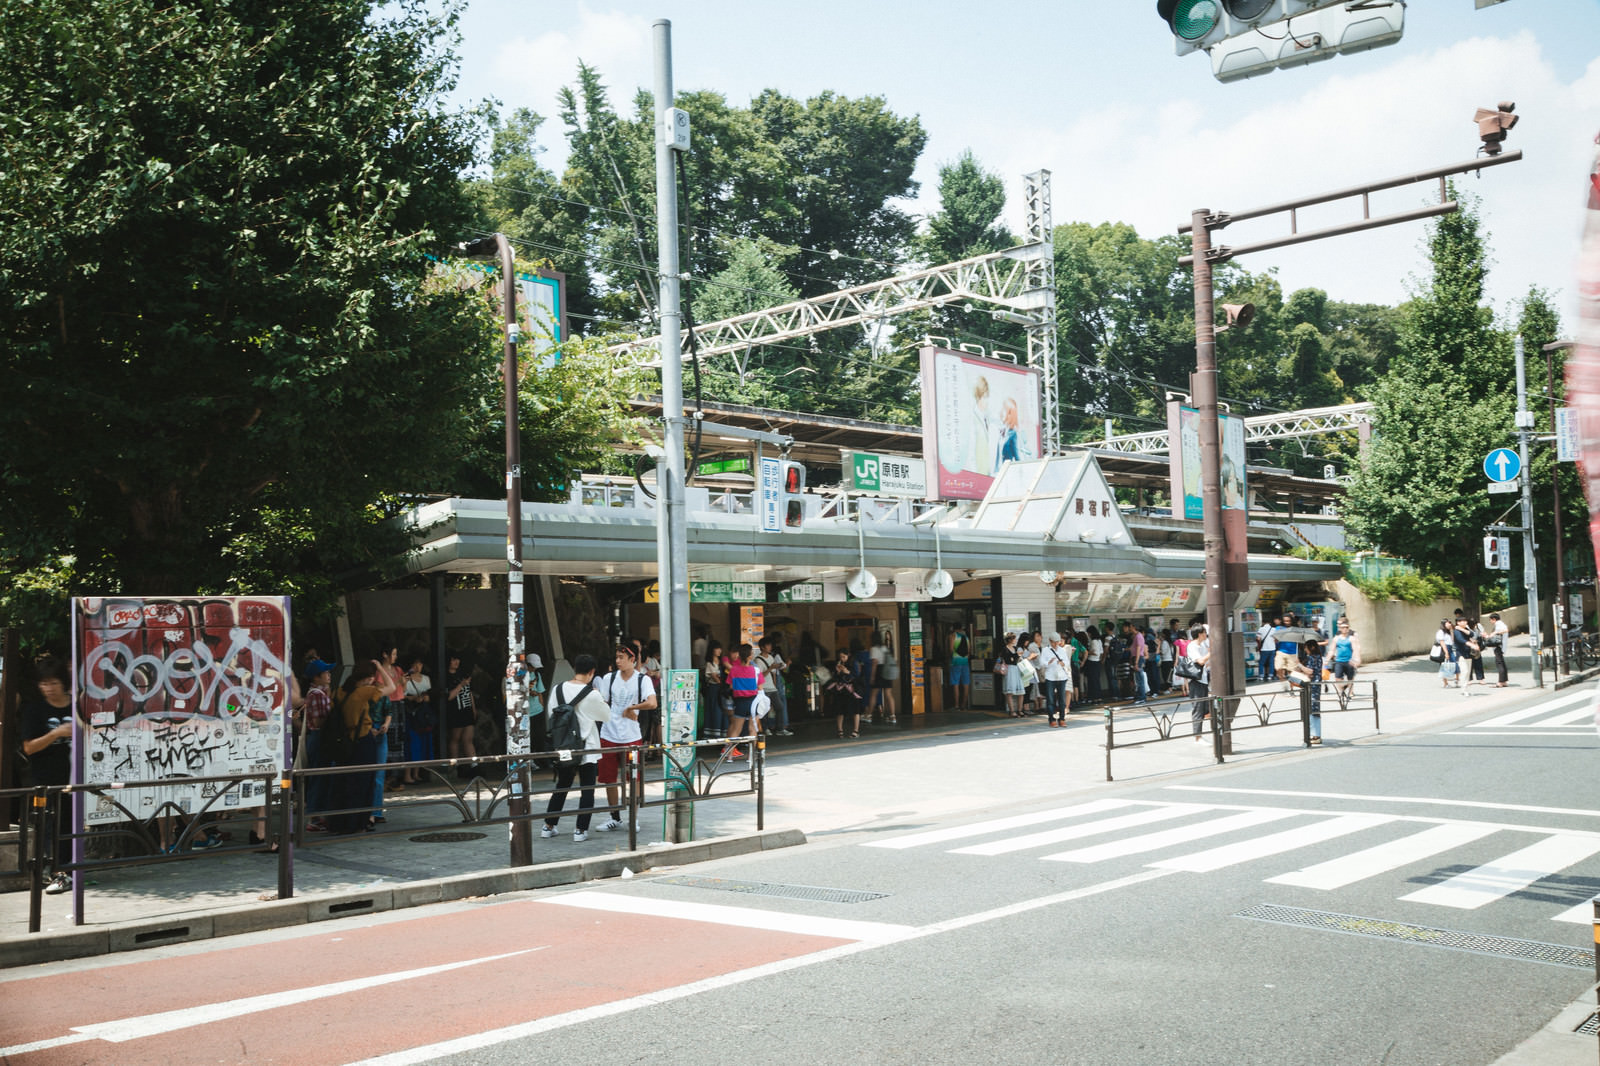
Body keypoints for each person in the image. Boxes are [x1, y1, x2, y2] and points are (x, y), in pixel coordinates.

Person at [540, 654, 612, 842]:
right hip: (586, 748)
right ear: (591, 672)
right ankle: (580, 831)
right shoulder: (593, 694)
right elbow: (606, 716)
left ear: (574, 668)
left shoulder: (558, 690)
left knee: (562, 785)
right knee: (587, 789)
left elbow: (551, 714)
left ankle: (548, 826)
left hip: (564, 747)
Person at [21, 658, 75, 894]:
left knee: (69, 825)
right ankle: (49, 871)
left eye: (53, 683)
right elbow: (29, 747)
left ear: (63, 683)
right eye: (44, 684)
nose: (48, 688)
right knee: (46, 824)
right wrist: (57, 733)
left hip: (74, 775)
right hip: (43, 778)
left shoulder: (77, 706)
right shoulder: (35, 710)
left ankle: (67, 872)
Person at [597, 644, 656, 831]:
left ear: (632, 659)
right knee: (609, 778)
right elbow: (602, 701)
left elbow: (652, 703)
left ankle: (633, 817)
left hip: (631, 735)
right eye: (616, 657)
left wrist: (633, 708)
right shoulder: (609, 678)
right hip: (608, 733)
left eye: (621, 657)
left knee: (634, 778)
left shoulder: (642, 680)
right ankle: (614, 817)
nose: (618, 661)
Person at [330, 660, 383, 834]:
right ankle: (358, 822)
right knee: (364, 783)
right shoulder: (363, 692)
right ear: (368, 677)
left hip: (344, 740)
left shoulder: (340, 691)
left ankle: (341, 822)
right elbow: (390, 687)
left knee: (345, 782)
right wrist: (380, 668)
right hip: (363, 740)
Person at [299, 659, 336, 833]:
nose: (329, 675)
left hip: (320, 737)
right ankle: (314, 817)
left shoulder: (322, 693)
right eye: (326, 673)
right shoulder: (316, 694)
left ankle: (319, 815)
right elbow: (318, 720)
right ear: (317, 676)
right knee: (318, 777)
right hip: (319, 737)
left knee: (322, 777)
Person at [397, 656, 432, 787]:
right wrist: (412, 698)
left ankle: (416, 773)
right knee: (411, 744)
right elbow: (402, 694)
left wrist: (424, 698)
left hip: (422, 714)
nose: (418, 667)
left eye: (420, 664)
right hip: (410, 712)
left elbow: (429, 695)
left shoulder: (426, 679)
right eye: (415, 664)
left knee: (422, 743)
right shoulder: (405, 678)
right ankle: (407, 774)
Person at [722, 643, 760, 760]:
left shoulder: (734, 670)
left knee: (736, 729)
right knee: (752, 729)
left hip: (739, 702)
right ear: (749, 656)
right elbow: (760, 687)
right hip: (753, 702)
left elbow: (731, 686)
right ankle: (750, 757)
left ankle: (729, 756)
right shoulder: (755, 670)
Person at [444, 653, 477, 774]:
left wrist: (473, 709)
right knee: (455, 738)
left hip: (467, 709)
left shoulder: (462, 674)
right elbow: (449, 696)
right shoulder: (446, 677)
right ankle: (456, 766)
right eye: (453, 660)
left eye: (457, 659)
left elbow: (469, 692)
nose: (456, 662)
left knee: (468, 739)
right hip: (455, 710)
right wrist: (461, 685)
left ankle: (474, 766)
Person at [753, 635, 792, 737]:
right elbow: (760, 675)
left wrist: (775, 683)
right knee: (764, 709)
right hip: (764, 688)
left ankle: (779, 728)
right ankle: (765, 728)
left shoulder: (770, 657)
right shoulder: (758, 660)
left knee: (779, 707)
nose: (770, 647)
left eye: (770, 645)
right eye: (768, 645)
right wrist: (770, 668)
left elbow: (774, 673)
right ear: (762, 647)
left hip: (772, 688)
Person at [827, 647, 863, 737]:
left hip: (851, 690)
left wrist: (847, 672)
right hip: (841, 689)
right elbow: (835, 677)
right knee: (840, 710)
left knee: (856, 710)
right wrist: (838, 672)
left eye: (844, 657)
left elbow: (857, 677)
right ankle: (840, 731)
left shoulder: (854, 663)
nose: (842, 659)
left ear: (848, 655)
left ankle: (856, 731)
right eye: (840, 657)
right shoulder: (839, 663)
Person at [1186, 625, 1212, 742]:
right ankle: (1197, 737)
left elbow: (1205, 663)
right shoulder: (1192, 646)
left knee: (1206, 709)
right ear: (1200, 633)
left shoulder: (1201, 646)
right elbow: (1201, 661)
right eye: (1205, 632)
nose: (1206, 634)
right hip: (1196, 681)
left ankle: (1213, 731)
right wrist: (1211, 653)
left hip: (1203, 680)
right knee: (1198, 708)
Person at [1042, 632, 1072, 727]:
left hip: (1061, 676)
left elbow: (1067, 661)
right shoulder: (1045, 650)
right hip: (1050, 677)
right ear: (1050, 641)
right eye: (1054, 642)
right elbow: (1042, 663)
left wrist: (1063, 663)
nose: (1056, 644)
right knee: (1050, 699)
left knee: (1062, 699)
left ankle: (1062, 719)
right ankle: (1052, 719)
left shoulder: (1062, 650)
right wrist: (1048, 662)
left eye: (1057, 642)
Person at [870, 631, 899, 725]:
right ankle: (892, 716)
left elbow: (874, 663)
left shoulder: (874, 649)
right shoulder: (884, 648)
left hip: (879, 671)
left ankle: (868, 715)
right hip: (887, 671)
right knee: (888, 694)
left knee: (874, 693)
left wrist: (872, 676)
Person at [1330, 620, 1361, 704]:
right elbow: (1332, 649)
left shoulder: (1353, 635)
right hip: (1339, 661)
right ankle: (1342, 691)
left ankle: (1350, 693)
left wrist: (1357, 659)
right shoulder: (1337, 636)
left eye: (1346, 627)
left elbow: (1356, 648)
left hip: (1349, 660)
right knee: (1337, 678)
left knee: (1350, 678)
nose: (1344, 629)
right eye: (1342, 627)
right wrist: (1328, 658)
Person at [1302, 638, 1326, 744]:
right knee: (1314, 709)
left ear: (1311, 647)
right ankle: (1315, 734)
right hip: (1316, 685)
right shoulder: (1318, 657)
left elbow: (1310, 671)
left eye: (1306, 648)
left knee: (1312, 709)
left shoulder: (1312, 658)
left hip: (1313, 686)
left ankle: (1316, 735)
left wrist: (1299, 665)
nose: (1305, 650)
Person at [701, 639, 726, 739]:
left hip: (721, 690)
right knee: (715, 711)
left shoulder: (722, 662)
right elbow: (715, 678)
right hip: (714, 690)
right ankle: (714, 735)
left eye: (720, 648)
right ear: (712, 650)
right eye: (717, 648)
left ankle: (721, 733)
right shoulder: (709, 664)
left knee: (722, 712)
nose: (719, 650)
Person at [1000, 632, 1024, 717]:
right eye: (1014, 638)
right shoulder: (1005, 649)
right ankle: (1012, 711)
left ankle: (1020, 710)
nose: (1015, 640)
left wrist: (1017, 656)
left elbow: (1017, 659)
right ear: (1010, 639)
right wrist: (1016, 655)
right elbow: (1008, 660)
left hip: (1016, 669)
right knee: (1009, 691)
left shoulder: (1016, 648)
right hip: (1009, 669)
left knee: (1020, 692)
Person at [948, 626, 972, 712]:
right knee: (966, 684)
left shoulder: (953, 636)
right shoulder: (966, 637)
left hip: (955, 662)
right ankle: (964, 706)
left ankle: (956, 706)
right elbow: (969, 651)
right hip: (965, 662)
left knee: (956, 684)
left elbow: (951, 649)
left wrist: (952, 657)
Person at [1272, 617, 1300, 681]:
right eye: (1285, 621)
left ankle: (1291, 688)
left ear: (1291, 621)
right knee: (1278, 667)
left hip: (1293, 653)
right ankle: (1282, 680)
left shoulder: (1295, 629)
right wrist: (1276, 640)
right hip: (1281, 651)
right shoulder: (1279, 628)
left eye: (1288, 621)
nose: (1286, 622)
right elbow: (1275, 639)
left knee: (1291, 672)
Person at [1432, 620, 1458, 688]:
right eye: (1448, 623)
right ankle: (1445, 683)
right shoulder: (1440, 632)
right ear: (1444, 624)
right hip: (1444, 649)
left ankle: (1456, 680)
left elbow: (1452, 641)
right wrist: (1446, 652)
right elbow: (1442, 643)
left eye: (1450, 623)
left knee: (1455, 664)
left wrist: (1451, 630)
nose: (1450, 624)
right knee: (1444, 666)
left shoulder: (1448, 632)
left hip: (1450, 649)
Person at [1487, 612, 1510, 686]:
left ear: (1494, 619)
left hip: (1498, 646)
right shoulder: (1500, 623)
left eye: (1490, 620)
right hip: (1500, 646)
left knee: (1499, 663)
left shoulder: (1499, 624)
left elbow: (1505, 630)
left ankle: (1501, 681)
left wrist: (1494, 633)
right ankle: (1504, 681)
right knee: (1501, 663)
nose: (1490, 622)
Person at [1129, 623, 1149, 703]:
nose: (1130, 628)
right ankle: (1139, 696)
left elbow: (1138, 649)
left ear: (1134, 627)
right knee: (1138, 679)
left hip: (1138, 658)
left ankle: (1142, 697)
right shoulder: (1137, 636)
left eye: (1130, 627)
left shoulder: (1138, 636)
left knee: (1139, 679)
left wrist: (1136, 662)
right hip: (1137, 658)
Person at [1083, 626, 1104, 705]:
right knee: (1097, 680)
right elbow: (1101, 653)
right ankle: (1098, 697)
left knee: (1092, 681)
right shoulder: (1099, 641)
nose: (1088, 634)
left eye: (1088, 633)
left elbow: (1095, 652)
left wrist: (1087, 652)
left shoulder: (1093, 641)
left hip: (1092, 662)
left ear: (1090, 633)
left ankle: (1094, 698)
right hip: (1097, 662)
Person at [1256, 616, 1279, 683]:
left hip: (1264, 649)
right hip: (1272, 648)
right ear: (1270, 623)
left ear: (1263, 622)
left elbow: (1258, 639)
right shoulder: (1274, 629)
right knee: (1271, 662)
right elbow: (1276, 640)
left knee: (1261, 663)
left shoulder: (1261, 629)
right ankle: (1270, 676)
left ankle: (1261, 676)